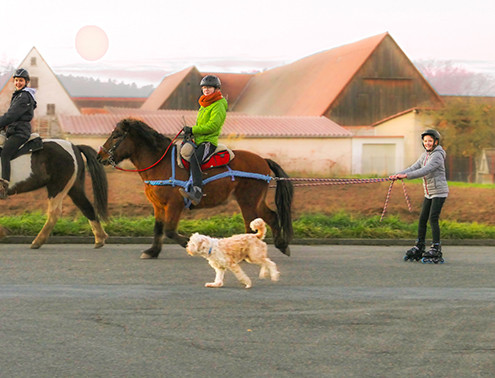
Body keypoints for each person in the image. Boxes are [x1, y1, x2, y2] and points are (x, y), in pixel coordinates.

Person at [389, 129, 449, 263]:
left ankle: (436, 248)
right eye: (425, 141)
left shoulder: (437, 156)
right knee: (422, 219)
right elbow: (414, 167)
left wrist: (407, 176)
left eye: (430, 141)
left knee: (433, 219)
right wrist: (398, 175)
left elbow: (425, 170)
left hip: (439, 192)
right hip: (429, 192)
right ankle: (420, 245)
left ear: (436, 142)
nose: (427, 143)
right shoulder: (425, 155)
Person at [179, 75, 228, 205]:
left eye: (209, 87)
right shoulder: (205, 103)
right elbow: (201, 125)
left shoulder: (218, 104)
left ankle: (197, 193)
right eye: (204, 87)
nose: (206, 89)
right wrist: (191, 135)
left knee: (195, 160)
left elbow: (213, 126)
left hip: (208, 142)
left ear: (216, 89)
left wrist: (193, 130)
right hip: (199, 140)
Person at [0, 68, 37, 199]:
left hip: (20, 132)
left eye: (21, 80)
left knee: (5, 154)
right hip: (14, 130)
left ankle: (3, 188)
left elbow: (11, 116)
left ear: (26, 82)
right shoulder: (18, 95)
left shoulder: (24, 96)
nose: (18, 83)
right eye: (16, 80)